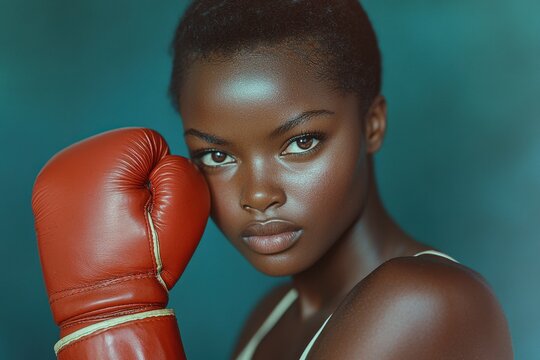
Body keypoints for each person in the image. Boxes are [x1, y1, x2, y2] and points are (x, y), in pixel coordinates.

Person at [169, 0, 513, 359]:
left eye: (302, 143)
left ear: (372, 124)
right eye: (217, 156)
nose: (257, 195)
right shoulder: (269, 318)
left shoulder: (423, 300)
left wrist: (121, 311)